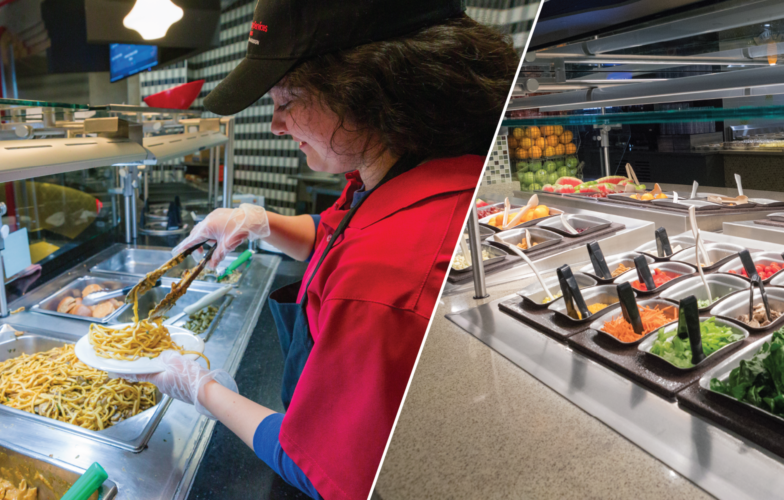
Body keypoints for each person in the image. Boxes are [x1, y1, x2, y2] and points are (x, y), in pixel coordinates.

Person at [120, 1, 518, 499]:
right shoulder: (408, 168)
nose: (274, 125)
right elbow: (336, 231)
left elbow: (320, 468)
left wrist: (198, 388)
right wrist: (258, 222)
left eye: (286, 101)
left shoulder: (382, 278)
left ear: (367, 88)